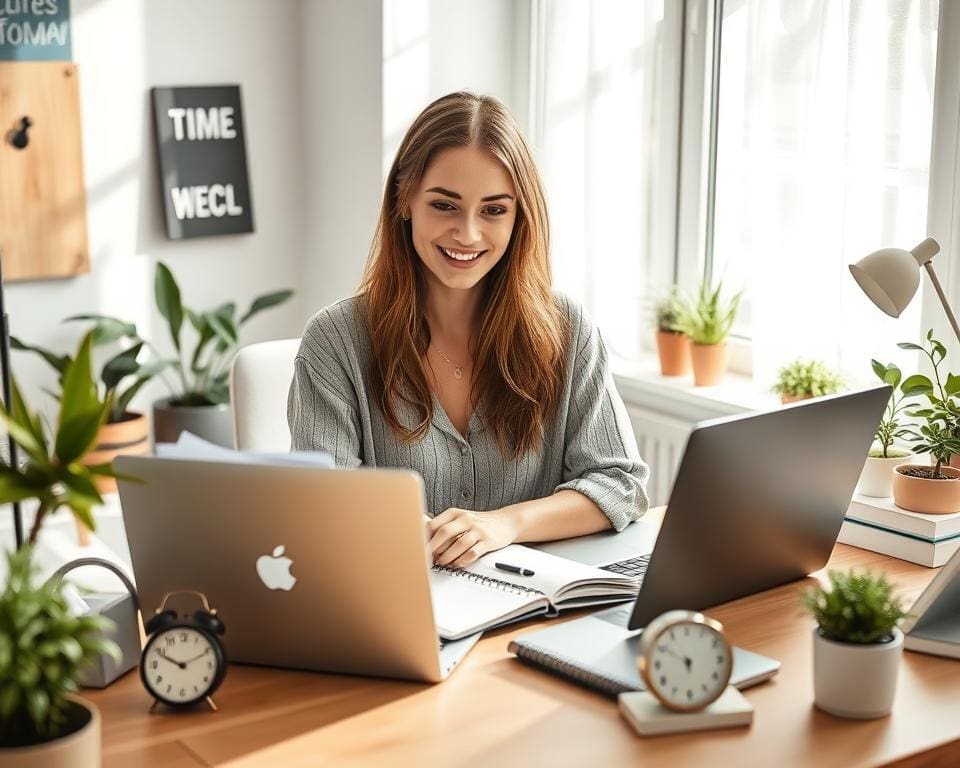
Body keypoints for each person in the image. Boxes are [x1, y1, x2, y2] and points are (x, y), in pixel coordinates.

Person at [288, 91, 648, 569]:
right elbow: (322, 502)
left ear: (519, 216)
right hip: (398, 611)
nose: (469, 234)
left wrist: (505, 524)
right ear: (405, 200)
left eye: (494, 210)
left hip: (535, 616)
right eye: (444, 205)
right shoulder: (336, 342)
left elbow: (618, 484)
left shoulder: (568, 330)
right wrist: (424, 534)